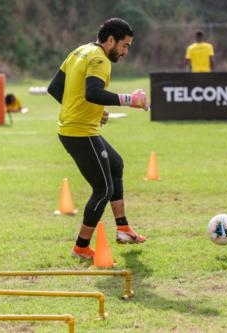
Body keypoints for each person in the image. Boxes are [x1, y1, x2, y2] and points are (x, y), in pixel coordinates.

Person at [48, 18, 149, 260]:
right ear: (110, 40)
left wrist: (86, 109)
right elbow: (93, 92)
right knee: (103, 190)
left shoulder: (80, 51)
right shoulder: (100, 59)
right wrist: (130, 100)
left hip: (77, 128)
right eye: (124, 46)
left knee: (116, 165)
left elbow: (55, 88)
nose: (125, 52)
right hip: (80, 132)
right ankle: (81, 247)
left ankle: (123, 228)